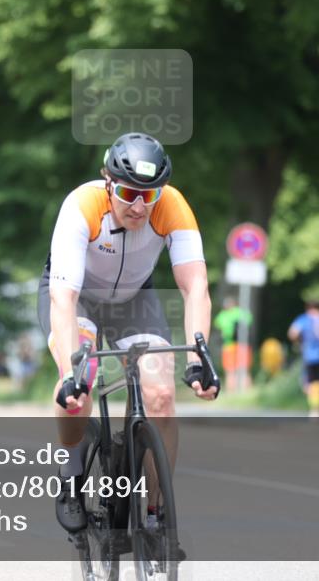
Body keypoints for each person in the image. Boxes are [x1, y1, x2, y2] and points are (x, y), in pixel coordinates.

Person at [39, 132, 216, 532]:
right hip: (78, 297)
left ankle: (156, 514)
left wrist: (198, 359)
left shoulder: (172, 206)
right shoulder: (81, 205)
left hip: (134, 299)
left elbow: (195, 287)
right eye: (127, 193)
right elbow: (63, 299)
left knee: (162, 394)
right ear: (107, 182)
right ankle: (71, 477)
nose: (138, 205)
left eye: (148, 196)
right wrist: (70, 372)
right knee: (77, 390)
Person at [213, 296, 253, 391]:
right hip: (242, 344)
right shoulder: (241, 312)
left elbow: (218, 327)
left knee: (230, 371)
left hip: (229, 345)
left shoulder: (222, 315)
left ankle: (231, 392)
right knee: (244, 370)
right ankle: (247, 391)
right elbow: (250, 321)